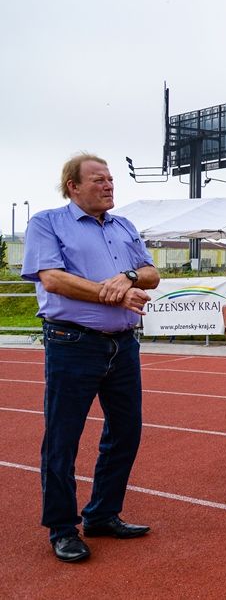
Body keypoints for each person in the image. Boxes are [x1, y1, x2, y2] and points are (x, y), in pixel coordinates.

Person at [22, 153, 159, 562]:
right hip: (71, 342)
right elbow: (52, 278)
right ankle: (62, 528)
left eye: (111, 179)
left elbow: (150, 272)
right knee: (63, 439)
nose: (109, 185)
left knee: (126, 431)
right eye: (98, 179)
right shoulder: (47, 223)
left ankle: (102, 514)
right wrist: (109, 291)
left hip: (123, 344)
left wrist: (129, 277)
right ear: (73, 187)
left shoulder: (124, 225)